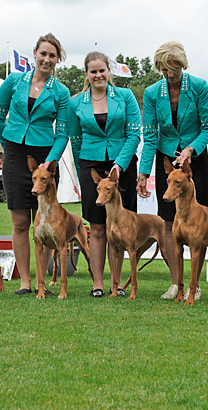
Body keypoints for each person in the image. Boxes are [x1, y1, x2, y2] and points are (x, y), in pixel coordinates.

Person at [136, 41, 208, 300]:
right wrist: (144, 173)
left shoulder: (200, 87)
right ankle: (175, 282)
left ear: (183, 65)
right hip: (167, 159)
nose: (170, 74)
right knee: (169, 221)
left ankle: (195, 285)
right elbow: (150, 136)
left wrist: (192, 149)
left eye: (175, 69)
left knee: (199, 222)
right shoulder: (151, 93)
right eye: (165, 69)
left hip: (196, 159)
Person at [0, 33, 70, 295]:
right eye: (43, 53)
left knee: (46, 223)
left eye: (52, 56)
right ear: (34, 53)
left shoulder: (61, 92)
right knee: (20, 222)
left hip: (45, 158)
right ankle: (25, 282)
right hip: (15, 154)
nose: (46, 59)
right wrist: (8, 147)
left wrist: (51, 160)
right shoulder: (13, 81)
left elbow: (62, 134)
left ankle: (41, 283)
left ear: (57, 60)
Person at [68, 51, 141, 297]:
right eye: (93, 71)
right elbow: (76, 141)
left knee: (121, 228)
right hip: (92, 166)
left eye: (102, 70)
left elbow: (134, 135)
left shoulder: (126, 96)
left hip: (124, 166)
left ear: (109, 71)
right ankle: (98, 284)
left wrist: (119, 165)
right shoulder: (75, 103)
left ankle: (117, 284)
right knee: (98, 227)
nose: (98, 75)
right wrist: (83, 171)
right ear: (86, 74)